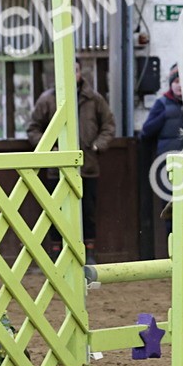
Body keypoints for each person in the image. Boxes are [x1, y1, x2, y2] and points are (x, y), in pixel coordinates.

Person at [26, 60, 116, 265]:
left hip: (88, 167)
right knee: (56, 212)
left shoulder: (94, 98)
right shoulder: (47, 99)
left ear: (80, 73)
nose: (71, 75)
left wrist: (97, 146)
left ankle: (88, 254)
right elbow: (33, 128)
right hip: (56, 169)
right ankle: (57, 255)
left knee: (88, 213)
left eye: (74, 70)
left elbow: (109, 125)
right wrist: (50, 148)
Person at [141, 68, 183, 238]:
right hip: (168, 166)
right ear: (170, 84)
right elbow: (146, 130)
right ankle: (172, 251)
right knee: (170, 210)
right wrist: (165, 116)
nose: (180, 85)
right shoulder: (162, 104)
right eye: (176, 81)